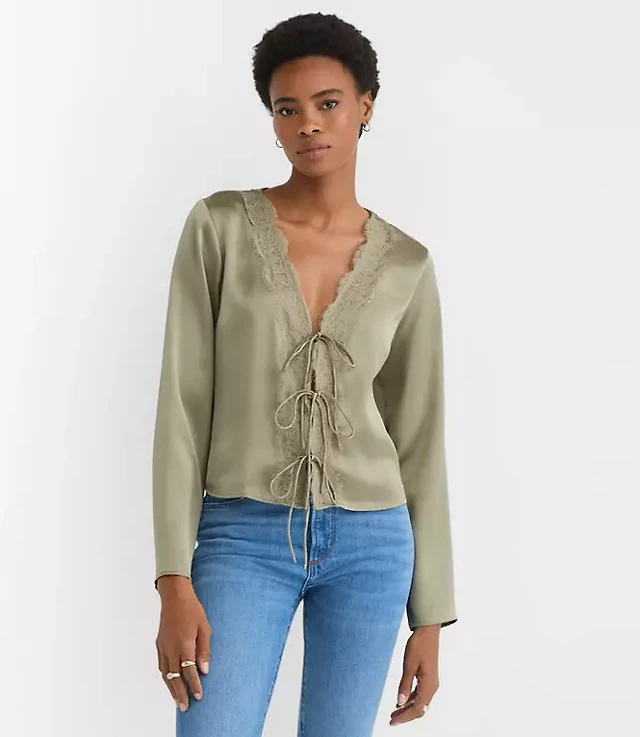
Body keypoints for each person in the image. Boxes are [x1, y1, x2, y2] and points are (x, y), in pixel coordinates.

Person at [152, 11, 457, 737]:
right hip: (240, 536)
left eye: (328, 103)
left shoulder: (407, 264)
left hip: (374, 545)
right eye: (287, 109)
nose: (308, 124)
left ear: (365, 108)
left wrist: (431, 615)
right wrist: (172, 577)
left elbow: (420, 439)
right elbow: (183, 405)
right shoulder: (219, 227)